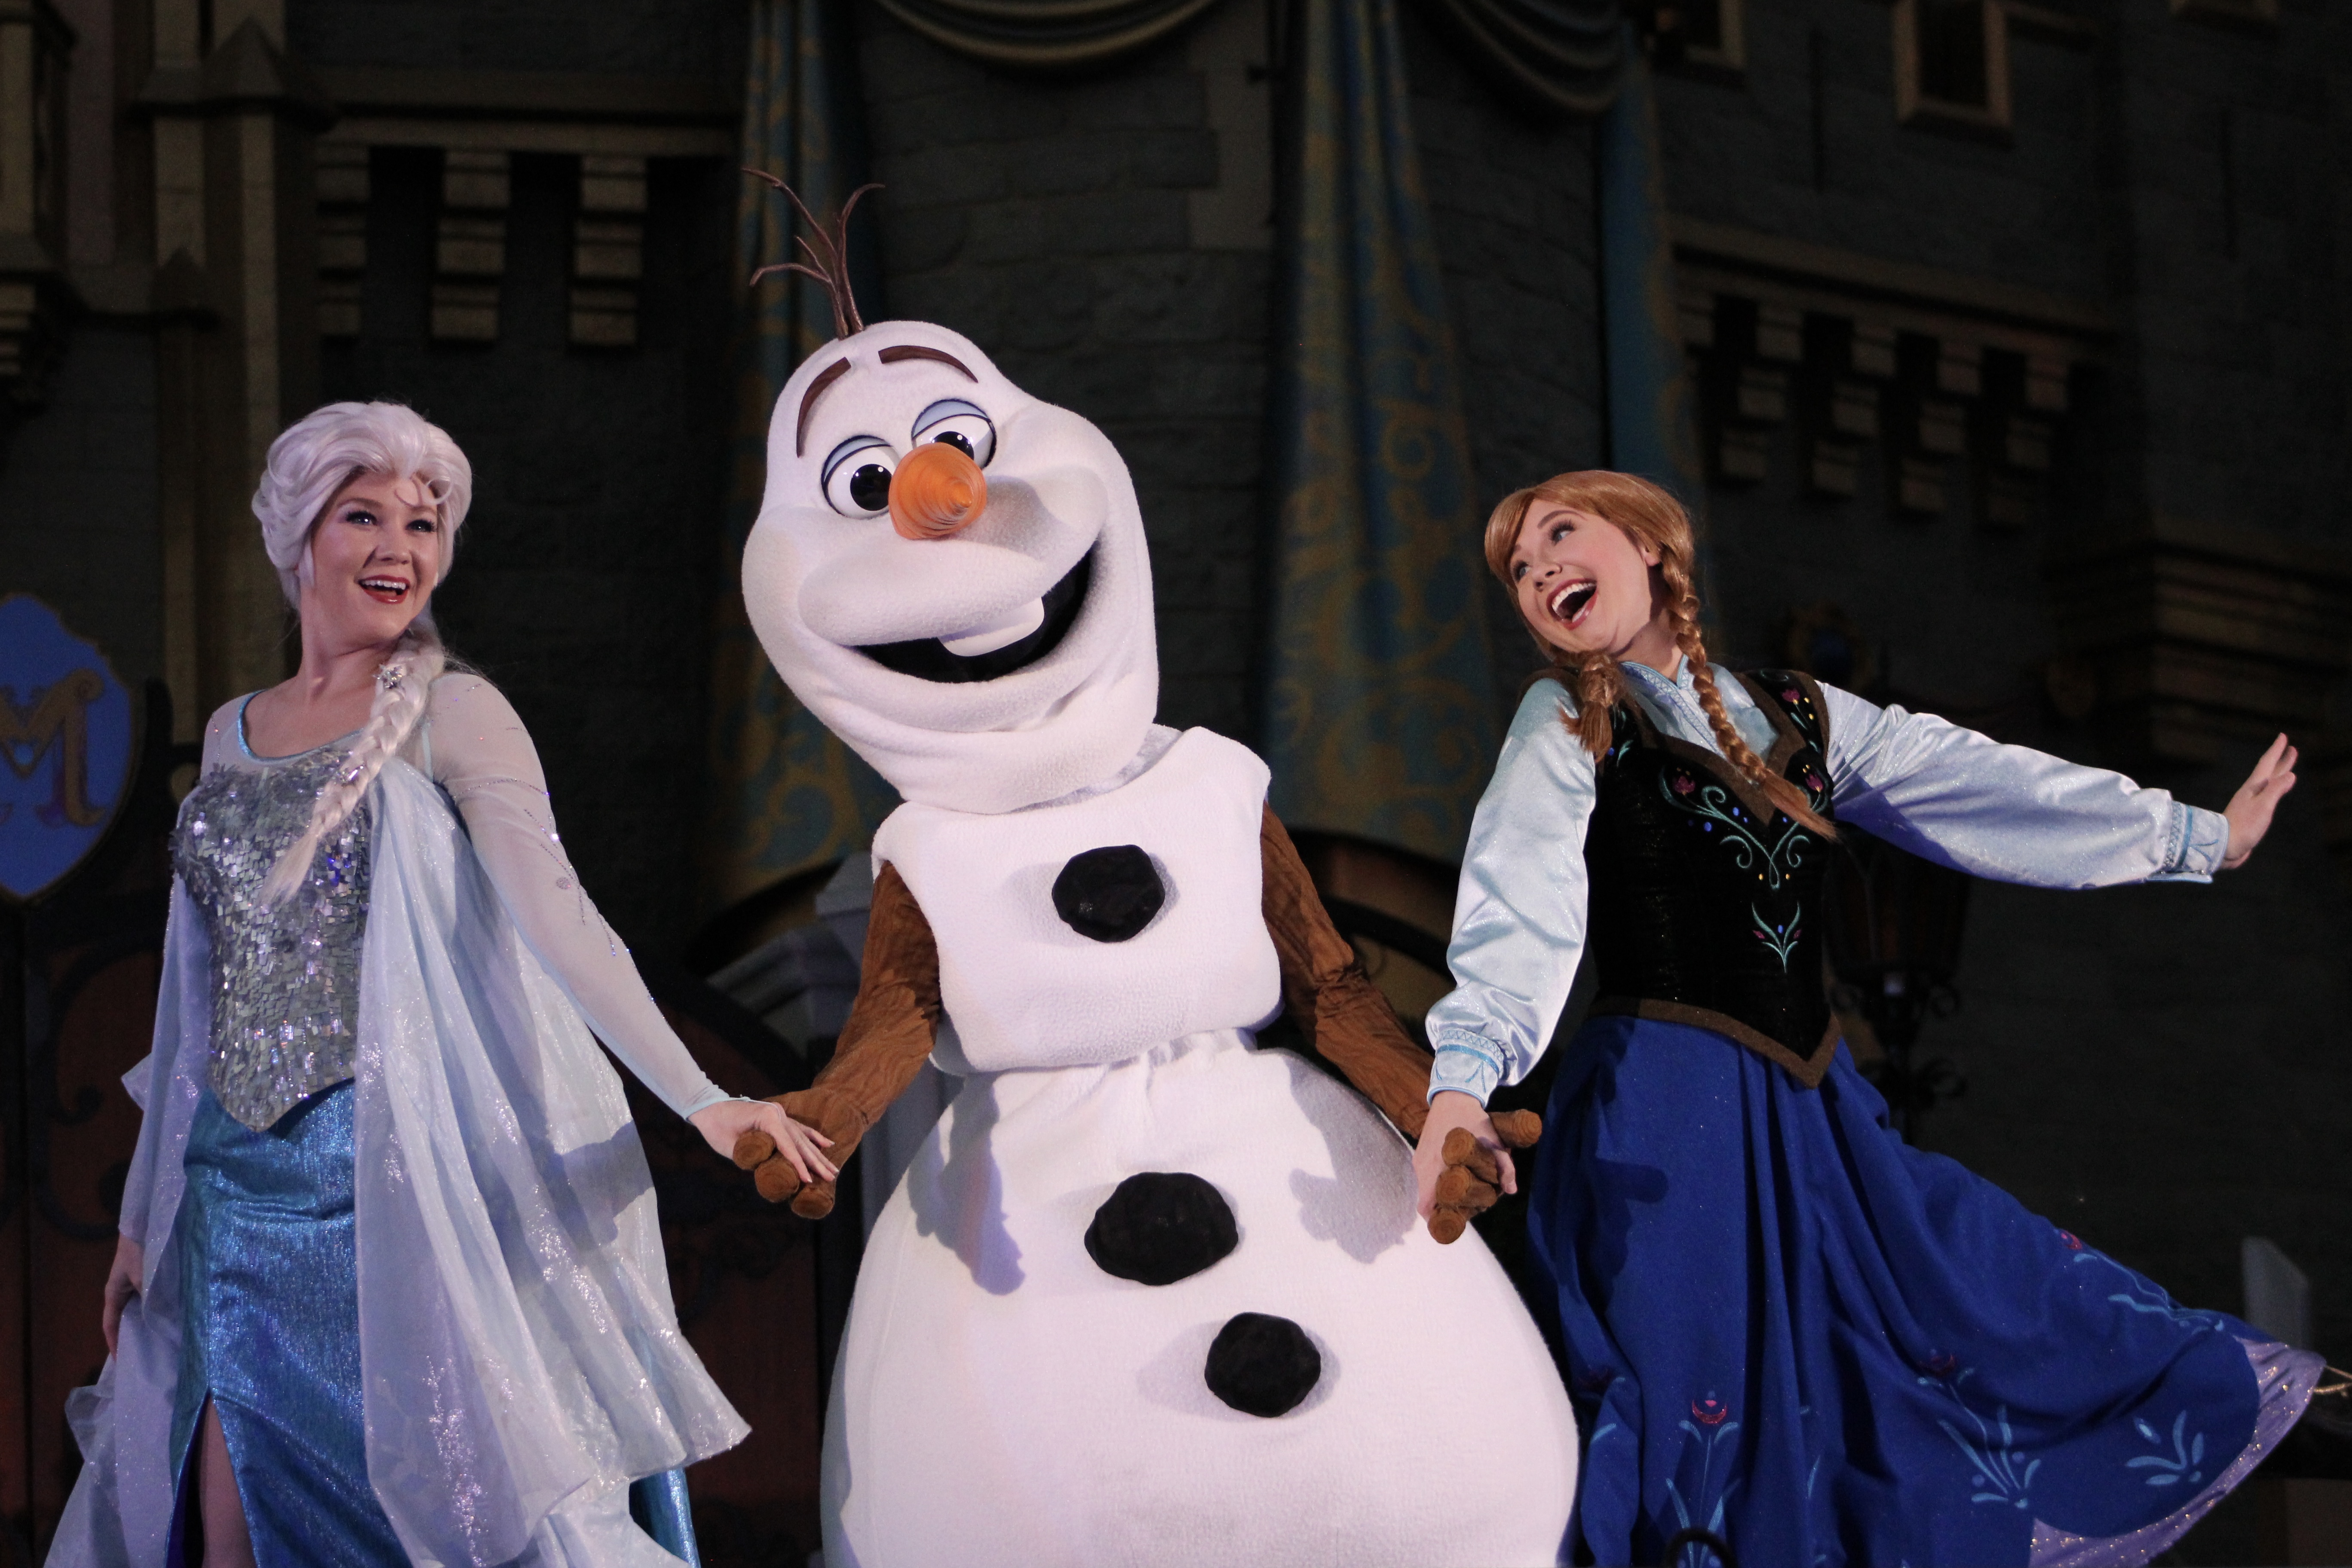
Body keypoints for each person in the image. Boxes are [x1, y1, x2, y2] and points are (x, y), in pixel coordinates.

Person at [1411, 468, 2329, 1567]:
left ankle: (2258, 1397)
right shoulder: (1569, 718)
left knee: (1976, 1285)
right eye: (1519, 568)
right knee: (1715, 1421)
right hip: (1665, 1122)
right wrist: (1463, 1082)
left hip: (1815, 1108)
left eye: (1562, 534)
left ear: (1650, 543)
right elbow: (1520, 899)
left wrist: (2195, 838)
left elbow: (1978, 783)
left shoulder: (1799, 713)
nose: (1540, 570)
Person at [51, 401, 833, 1568]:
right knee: (227, 1533)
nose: (399, 549)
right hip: (230, 1194)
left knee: (431, 1518)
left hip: (389, 1189)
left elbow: (560, 919)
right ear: (299, 536)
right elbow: (193, 1001)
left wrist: (706, 1100)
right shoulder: (229, 733)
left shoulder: (457, 714)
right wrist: (138, 1223)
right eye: (363, 517)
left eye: (422, 524)